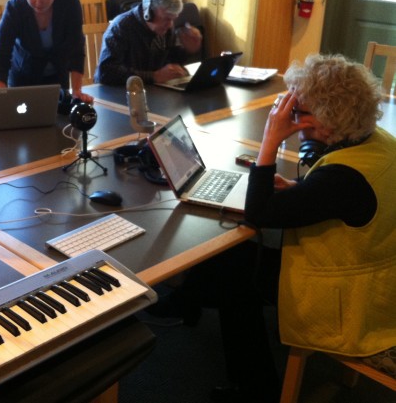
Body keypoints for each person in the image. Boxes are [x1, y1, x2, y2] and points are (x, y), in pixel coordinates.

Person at [165, 54, 396, 402]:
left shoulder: (341, 179)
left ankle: (255, 390)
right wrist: (303, 191)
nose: (291, 118)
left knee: (231, 272)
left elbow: (258, 213)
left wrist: (270, 140)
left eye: (298, 111)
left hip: (345, 299)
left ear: (328, 118)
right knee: (232, 260)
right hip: (378, 280)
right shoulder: (380, 144)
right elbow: (345, 197)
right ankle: (186, 300)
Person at [0, 0, 93, 104]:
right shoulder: (15, 8)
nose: (38, 2)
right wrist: (0, 97)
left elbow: (76, 45)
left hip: (58, 77)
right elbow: (1, 57)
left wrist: (77, 90)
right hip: (23, 79)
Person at [94, 0, 202, 86]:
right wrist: (153, 76)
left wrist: (187, 50)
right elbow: (106, 72)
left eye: (173, 19)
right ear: (148, 13)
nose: (170, 25)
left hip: (150, 91)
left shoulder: (166, 28)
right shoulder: (120, 27)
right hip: (118, 94)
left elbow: (171, 62)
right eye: (166, 19)